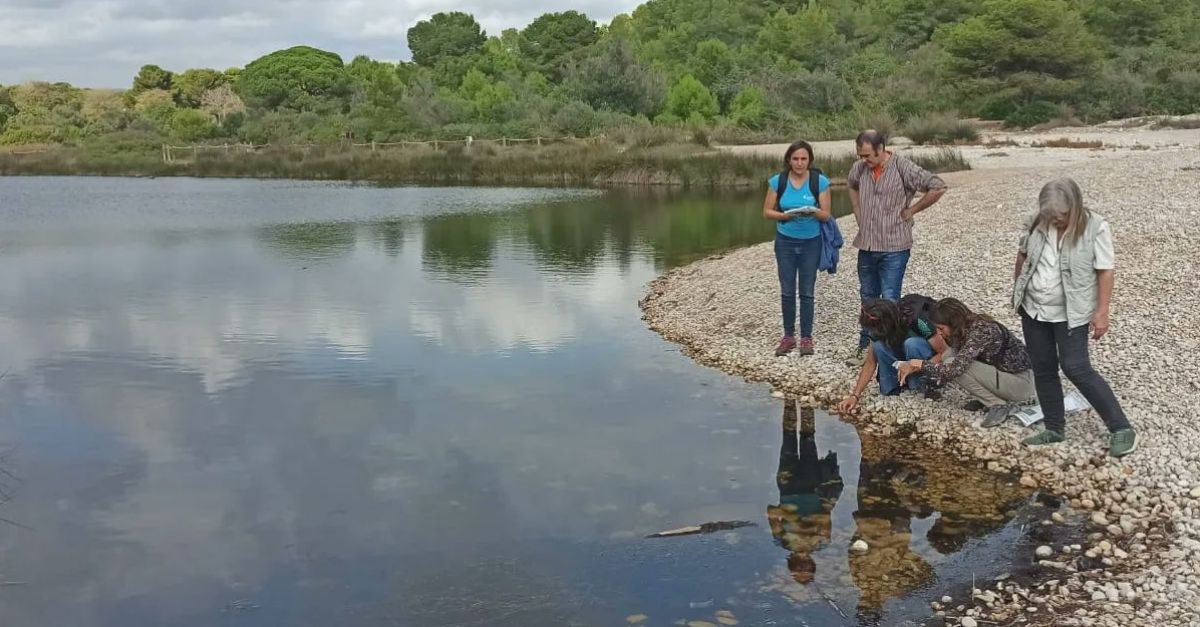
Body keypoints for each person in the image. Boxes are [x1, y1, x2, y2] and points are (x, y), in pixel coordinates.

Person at [1012, 178, 1136, 456]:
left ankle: (1121, 428)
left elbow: (1105, 271)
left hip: (1072, 312)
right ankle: (1054, 428)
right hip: (1034, 309)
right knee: (1043, 368)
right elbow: (1022, 256)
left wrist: (1102, 313)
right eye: (1050, 215)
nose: (1055, 220)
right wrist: (1017, 292)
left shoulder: (1096, 227)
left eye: (1062, 215)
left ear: (1075, 207)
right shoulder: (1035, 221)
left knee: (1076, 367)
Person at [848, 131, 948, 360]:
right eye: (860, 155)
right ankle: (866, 344)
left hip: (895, 247)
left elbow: (938, 186)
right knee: (867, 296)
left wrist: (912, 210)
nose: (863, 160)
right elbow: (851, 184)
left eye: (867, 155)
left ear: (881, 149)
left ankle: (887, 345)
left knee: (890, 298)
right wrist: (857, 210)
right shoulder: (859, 168)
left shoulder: (903, 167)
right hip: (867, 245)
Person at [897, 298, 1036, 426]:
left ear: (953, 323)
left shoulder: (981, 331)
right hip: (1004, 375)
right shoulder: (966, 327)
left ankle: (998, 404)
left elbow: (953, 370)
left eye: (941, 328)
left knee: (953, 364)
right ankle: (986, 398)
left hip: (1021, 384)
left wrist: (920, 364)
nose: (938, 333)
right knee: (948, 355)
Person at [763, 141, 833, 356]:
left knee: (807, 291)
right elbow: (766, 212)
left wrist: (812, 211)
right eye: (795, 159)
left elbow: (826, 215)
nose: (799, 163)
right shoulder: (778, 181)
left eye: (803, 159)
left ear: (810, 160)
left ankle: (806, 338)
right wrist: (784, 216)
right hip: (785, 241)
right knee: (787, 290)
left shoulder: (819, 182)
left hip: (811, 241)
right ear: (789, 160)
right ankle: (788, 336)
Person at [767, 401, 842, 586]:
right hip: (811, 485)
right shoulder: (822, 543)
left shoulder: (781, 541)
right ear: (812, 565)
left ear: (792, 566)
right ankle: (806, 402)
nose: (802, 568)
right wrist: (798, 522)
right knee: (808, 439)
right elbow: (826, 515)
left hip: (787, 486)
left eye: (798, 571)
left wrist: (797, 520)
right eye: (806, 570)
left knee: (788, 437)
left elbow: (771, 512)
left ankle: (789, 399)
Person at [837, 297, 947, 413]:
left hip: (923, 355)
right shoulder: (877, 327)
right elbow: (870, 363)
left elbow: (944, 354)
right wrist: (855, 396)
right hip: (902, 355)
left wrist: (915, 365)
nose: (875, 333)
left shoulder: (917, 320)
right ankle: (894, 386)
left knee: (912, 344)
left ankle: (920, 385)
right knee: (878, 345)